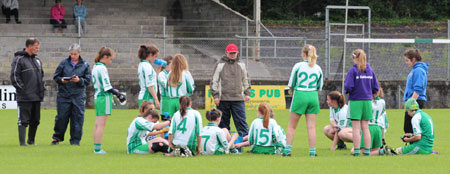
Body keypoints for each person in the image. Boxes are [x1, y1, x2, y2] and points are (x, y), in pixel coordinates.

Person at [283, 44, 323, 157]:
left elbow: (291, 83)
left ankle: (287, 150)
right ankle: (312, 152)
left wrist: (292, 90)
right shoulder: (318, 68)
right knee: (311, 127)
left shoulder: (298, 66)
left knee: (292, 126)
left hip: (300, 94)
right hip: (313, 96)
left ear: (304, 54)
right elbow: (319, 86)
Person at [51, 43, 91, 145]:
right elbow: (56, 77)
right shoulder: (63, 63)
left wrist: (79, 80)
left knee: (77, 118)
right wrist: (62, 80)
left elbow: (87, 80)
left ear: (79, 53)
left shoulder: (85, 64)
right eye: (71, 54)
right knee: (61, 117)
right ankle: (57, 138)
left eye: (75, 54)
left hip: (78, 96)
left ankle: (75, 140)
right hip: (64, 95)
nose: (73, 56)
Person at [210, 43, 251, 137]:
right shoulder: (220, 64)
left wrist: (247, 93)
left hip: (238, 99)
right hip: (223, 99)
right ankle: (223, 143)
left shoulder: (242, 64)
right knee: (223, 124)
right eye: (231, 53)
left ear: (237, 53)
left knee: (241, 123)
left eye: (234, 53)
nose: (233, 55)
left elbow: (246, 79)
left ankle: (245, 143)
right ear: (226, 53)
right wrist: (215, 96)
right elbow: (214, 81)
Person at [344, 49, 379, 156]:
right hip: (367, 101)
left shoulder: (353, 71)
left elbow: (348, 86)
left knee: (356, 128)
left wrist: (347, 91)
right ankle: (367, 151)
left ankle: (357, 151)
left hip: (356, 101)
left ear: (355, 58)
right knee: (365, 127)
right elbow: (376, 87)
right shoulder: (370, 71)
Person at [10, 38, 44, 146]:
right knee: (23, 120)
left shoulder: (37, 60)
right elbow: (14, 77)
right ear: (29, 46)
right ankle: (22, 143)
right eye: (36, 47)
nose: (37, 50)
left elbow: (41, 76)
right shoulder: (18, 59)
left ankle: (31, 141)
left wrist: (42, 88)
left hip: (37, 96)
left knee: (36, 120)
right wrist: (23, 90)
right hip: (25, 97)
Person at [91, 47, 126, 154]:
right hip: (103, 97)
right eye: (110, 59)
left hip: (98, 96)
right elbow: (107, 87)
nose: (110, 62)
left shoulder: (95, 66)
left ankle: (96, 146)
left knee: (97, 124)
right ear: (105, 57)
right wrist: (118, 94)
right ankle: (98, 149)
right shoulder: (102, 68)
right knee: (101, 124)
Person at [403, 49, 428, 136]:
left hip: (415, 102)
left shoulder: (418, 70)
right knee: (408, 127)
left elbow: (418, 89)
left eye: (407, 60)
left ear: (413, 59)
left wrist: (411, 103)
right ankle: (411, 147)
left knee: (410, 128)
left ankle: (414, 148)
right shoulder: (415, 70)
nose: (406, 63)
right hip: (414, 101)